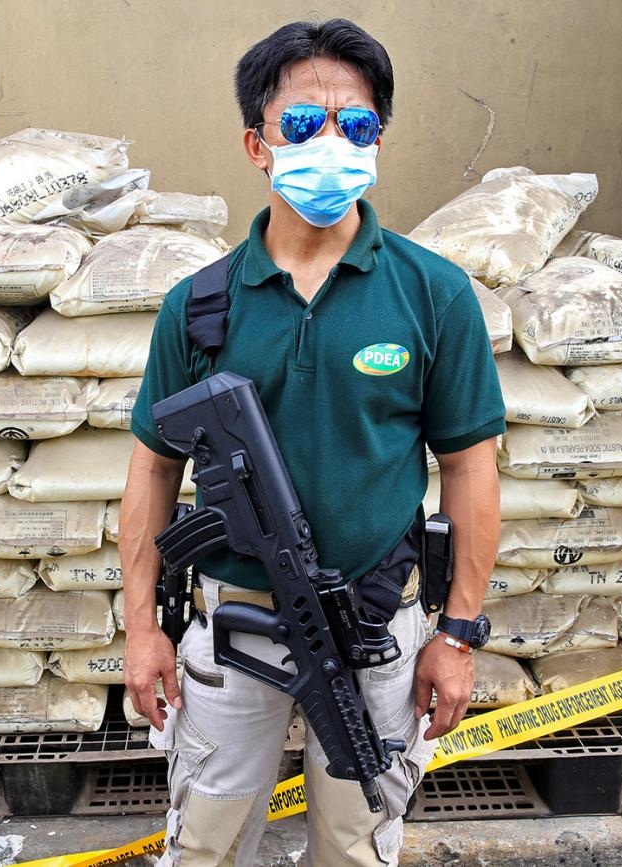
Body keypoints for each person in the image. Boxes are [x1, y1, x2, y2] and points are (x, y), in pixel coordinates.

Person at [118, 18, 504, 867]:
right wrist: (140, 627)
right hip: (232, 628)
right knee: (208, 846)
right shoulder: (200, 305)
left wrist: (460, 632)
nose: (331, 142)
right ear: (257, 145)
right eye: (303, 124)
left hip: (376, 626)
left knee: (360, 844)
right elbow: (153, 468)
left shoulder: (432, 293)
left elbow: (472, 467)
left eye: (356, 126)